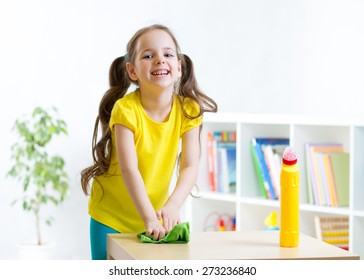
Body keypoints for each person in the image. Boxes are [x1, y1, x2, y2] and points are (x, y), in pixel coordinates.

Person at [80, 24, 218, 260]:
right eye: (148, 55)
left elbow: (190, 166)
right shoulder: (125, 109)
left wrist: (173, 205)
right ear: (132, 71)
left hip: (154, 218)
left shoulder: (188, 110)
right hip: (111, 216)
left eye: (167, 54)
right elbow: (129, 169)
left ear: (178, 67)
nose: (159, 60)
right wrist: (149, 218)